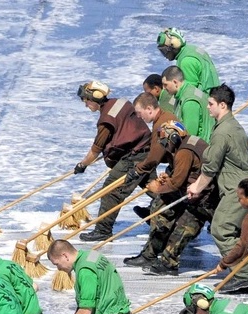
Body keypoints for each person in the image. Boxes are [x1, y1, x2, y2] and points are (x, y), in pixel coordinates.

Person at [187, 84, 248, 294]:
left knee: (221, 228)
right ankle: (247, 271)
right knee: (233, 230)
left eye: (211, 104)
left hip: (237, 189)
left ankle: (246, 275)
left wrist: (196, 187)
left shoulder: (222, 133)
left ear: (223, 105)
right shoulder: (233, 127)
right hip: (243, 185)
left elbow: (211, 167)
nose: (208, 107)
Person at [133, 121, 216, 275]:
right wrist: (168, 178)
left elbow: (176, 183)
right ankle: (152, 253)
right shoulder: (189, 143)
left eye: (165, 142)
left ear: (174, 138)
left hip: (202, 198)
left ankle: (168, 264)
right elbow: (182, 175)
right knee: (161, 209)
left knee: (184, 228)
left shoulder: (184, 152)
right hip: (194, 191)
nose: (165, 146)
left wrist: (157, 188)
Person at [73, 81, 152, 242]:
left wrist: (82, 165)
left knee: (110, 192)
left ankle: (103, 230)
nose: (86, 105)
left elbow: (95, 150)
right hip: (147, 149)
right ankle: (175, 214)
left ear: (95, 98)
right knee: (154, 187)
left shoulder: (106, 120)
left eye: (86, 101)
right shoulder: (119, 102)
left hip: (133, 157)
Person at [156, 27, 220, 94]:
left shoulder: (186, 61)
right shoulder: (192, 49)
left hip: (206, 97)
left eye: (164, 51)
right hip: (215, 94)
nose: (165, 56)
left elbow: (190, 92)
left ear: (173, 46)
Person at [160, 65, 214, 141]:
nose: (163, 88)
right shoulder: (190, 90)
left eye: (165, 84)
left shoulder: (189, 102)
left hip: (201, 145)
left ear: (175, 82)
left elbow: (189, 134)